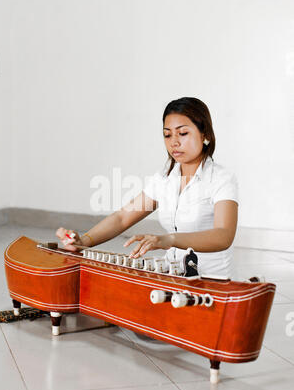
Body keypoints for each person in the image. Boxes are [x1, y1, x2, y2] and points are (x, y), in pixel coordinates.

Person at [56, 97, 238, 278]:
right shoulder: (165, 178)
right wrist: (84, 241)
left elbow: (223, 236)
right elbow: (122, 218)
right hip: (172, 276)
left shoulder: (221, 178)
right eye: (167, 134)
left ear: (204, 134)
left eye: (182, 133)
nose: (173, 142)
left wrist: (170, 240)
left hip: (210, 282)